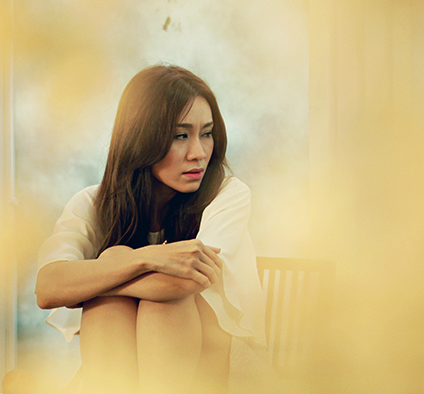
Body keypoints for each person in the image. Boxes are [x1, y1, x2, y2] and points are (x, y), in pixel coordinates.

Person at [35, 65, 266, 394]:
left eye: (206, 133)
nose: (199, 153)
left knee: (159, 296)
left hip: (216, 370)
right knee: (117, 258)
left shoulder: (228, 194)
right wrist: (145, 259)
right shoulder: (93, 203)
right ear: (141, 138)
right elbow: (47, 287)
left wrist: (96, 281)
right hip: (130, 367)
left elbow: (184, 281)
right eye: (180, 136)